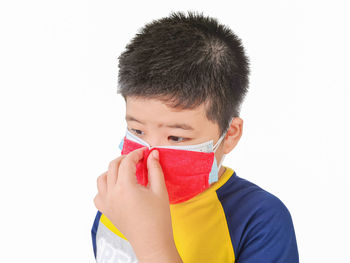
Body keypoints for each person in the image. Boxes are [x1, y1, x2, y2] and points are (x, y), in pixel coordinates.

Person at [91, 11, 299, 263]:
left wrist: (153, 245)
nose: (151, 155)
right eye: (137, 131)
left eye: (176, 138)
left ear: (230, 135)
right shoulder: (117, 199)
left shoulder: (259, 219)